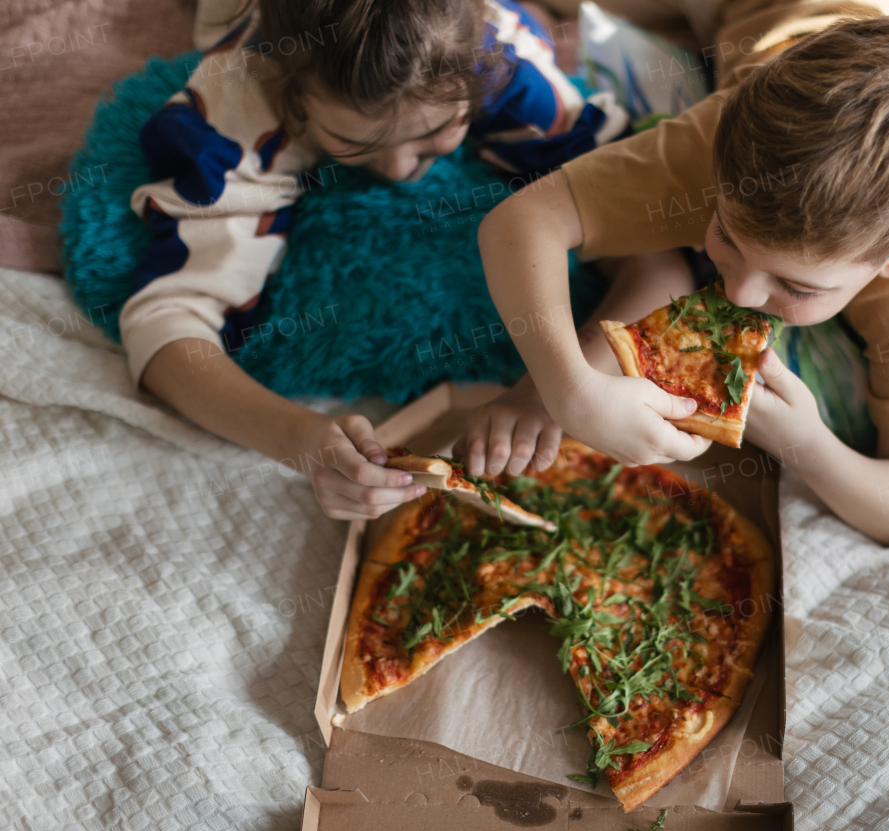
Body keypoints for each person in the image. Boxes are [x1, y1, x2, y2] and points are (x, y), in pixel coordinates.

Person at [466, 2, 889, 547]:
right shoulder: (720, 144)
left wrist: (802, 440)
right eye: (725, 235)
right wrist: (568, 390)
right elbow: (518, 221)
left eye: (798, 286)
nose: (738, 292)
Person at [125, 0, 627, 520]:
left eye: (434, 137)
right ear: (293, 97)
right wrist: (299, 437)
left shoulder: (500, 61)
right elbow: (163, 328)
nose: (399, 169)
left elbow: (657, 252)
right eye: (353, 141)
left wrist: (557, 387)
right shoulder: (237, 104)